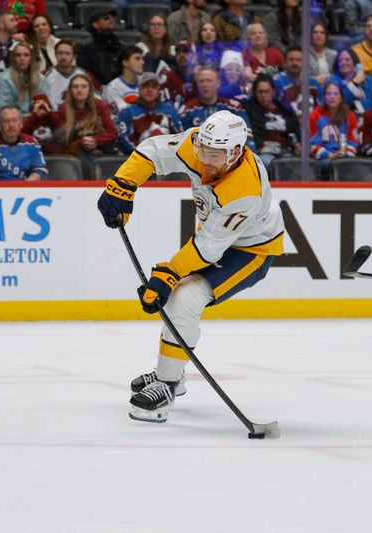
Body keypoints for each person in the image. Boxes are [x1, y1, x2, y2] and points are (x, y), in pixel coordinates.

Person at [96, 109, 285, 422]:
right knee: (178, 296)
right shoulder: (200, 144)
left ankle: (168, 384)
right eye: (202, 151)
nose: (205, 160)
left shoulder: (244, 189)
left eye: (214, 155)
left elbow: (208, 248)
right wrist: (122, 185)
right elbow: (152, 151)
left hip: (251, 251)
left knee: (183, 299)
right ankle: (171, 372)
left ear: (236, 152)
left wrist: (167, 275)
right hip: (213, 241)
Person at [58, 73, 118, 179]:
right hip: (75, 154)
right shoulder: (63, 109)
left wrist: (96, 141)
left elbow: (113, 133)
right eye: (75, 87)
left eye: (84, 86)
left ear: (90, 89)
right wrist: (82, 142)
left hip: (100, 151)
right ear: (70, 90)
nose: (79, 90)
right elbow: (62, 141)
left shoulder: (100, 106)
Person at [116, 72, 183, 155]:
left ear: (159, 89)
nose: (150, 90)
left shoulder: (169, 110)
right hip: (137, 161)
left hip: (167, 159)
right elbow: (124, 141)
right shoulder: (127, 112)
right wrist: (142, 156)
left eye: (154, 87)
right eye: (146, 86)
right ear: (139, 88)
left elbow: (180, 137)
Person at [0, 106, 47, 181]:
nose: (11, 125)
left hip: (25, 189)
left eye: (15, 120)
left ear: (21, 124)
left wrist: (24, 186)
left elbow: (40, 170)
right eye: (6, 121)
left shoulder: (32, 142)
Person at [245, 73, 301, 167]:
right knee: (265, 163)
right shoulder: (249, 111)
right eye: (260, 92)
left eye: (266, 91)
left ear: (273, 92)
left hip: (287, 150)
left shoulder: (285, 111)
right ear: (255, 93)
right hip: (263, 152)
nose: (263, 95)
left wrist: (299, 146)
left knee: (296, 164)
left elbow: (297, 134)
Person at [310, 80, 358, 170]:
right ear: (324, 97)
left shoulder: (350, 116)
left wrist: (345, 154)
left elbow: (353, 141)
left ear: (341, 97)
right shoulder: (314, 115)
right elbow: (313, 144)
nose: (332, 97)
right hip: (324, 158)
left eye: (336, 94)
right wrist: (329, 155)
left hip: (345, 157)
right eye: (328, 94)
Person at [44, 39, 103, 110]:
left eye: (67, 53)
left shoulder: (85, 74)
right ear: (55, 55)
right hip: (53, 117)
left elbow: (98, 99)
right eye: (60, 53)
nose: (63, 57)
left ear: (74, 56)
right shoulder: (45, 75)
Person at [0, 41, 48, 117]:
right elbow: (4, 109)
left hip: (36, 120)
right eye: (18, 55)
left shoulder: (41, 79)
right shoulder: (4, 78)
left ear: (31, 58)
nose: (22, 58)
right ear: (13, 58)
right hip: (12, 120)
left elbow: (44, 106)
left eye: (26, 55)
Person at [77, 9, 122, 85]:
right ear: (95, 25)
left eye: (112, 17)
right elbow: (84, 73)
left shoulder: (118, 45)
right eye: (106, 18)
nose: (111, 20)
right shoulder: (85, 47)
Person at [328, 48, 372, 115]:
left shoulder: (369, 81)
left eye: (347, 60)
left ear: (355, 62)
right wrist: (355, 82)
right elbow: (342, 102)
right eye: (340, 61)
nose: (343, 62)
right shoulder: (333, 82)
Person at [103, 46, 145, 117]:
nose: (142, 62)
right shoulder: (113, 88)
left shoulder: (145, 83)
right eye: (137, 58)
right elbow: (123, 114)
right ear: (125, 63)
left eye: (142, 59)